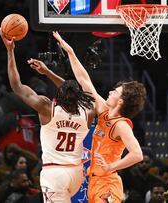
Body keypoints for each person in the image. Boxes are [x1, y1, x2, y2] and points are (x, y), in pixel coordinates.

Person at [0, 29, 96, 203]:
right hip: (76, 172)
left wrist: (10, 51)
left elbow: (17, 86)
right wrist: (49, 73)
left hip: (55, 174)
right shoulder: (87, 111)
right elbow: (76, 93)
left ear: (59, 95)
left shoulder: (47, 109)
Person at [53, 31, 145, 203]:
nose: (110, 91)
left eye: (115, 91)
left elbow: (137, 154)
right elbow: (84, 81)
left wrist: (111, 166)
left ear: (121, 101)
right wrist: (70, 52)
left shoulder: (121, 125)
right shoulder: (103, 111)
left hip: (108, 184)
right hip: (94, 182)